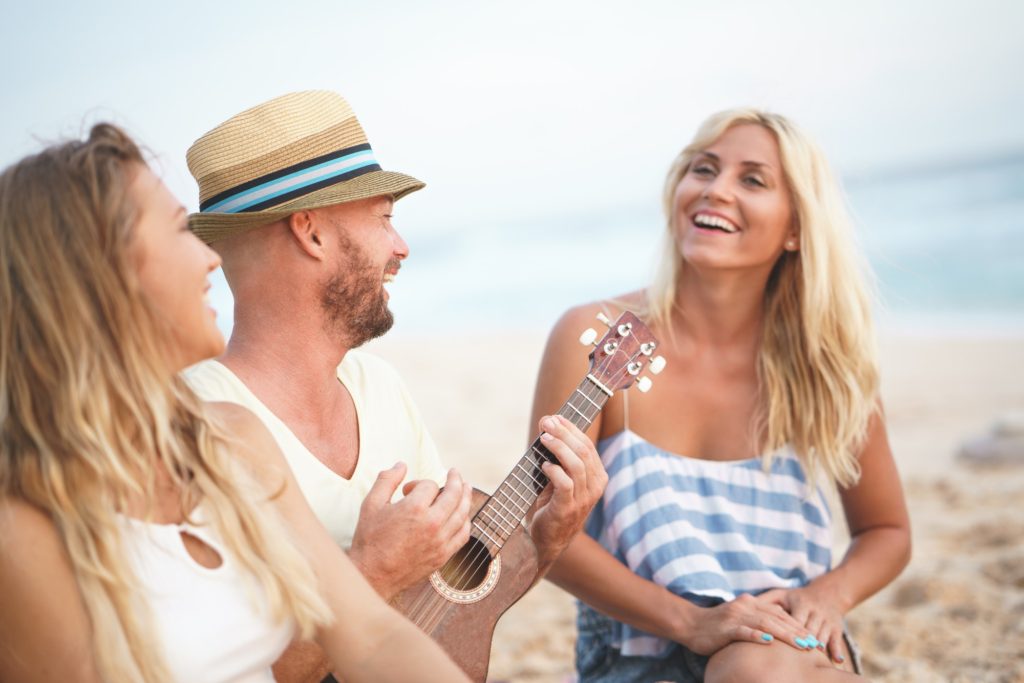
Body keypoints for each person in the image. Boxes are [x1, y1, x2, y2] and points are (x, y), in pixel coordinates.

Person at [0, 123, 476, 683]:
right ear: (100, 273)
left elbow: (370, 637)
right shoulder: (22, 526)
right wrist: (375, 567)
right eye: (180, 230)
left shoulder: (232, 437)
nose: (210, 259)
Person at [183, 91, 606, 678]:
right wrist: (372, 571)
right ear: (311, 233)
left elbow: (440, 607)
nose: (401, 247)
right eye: (385, 219)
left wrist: (548, 536)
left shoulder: (376, 385)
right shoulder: (187, 423)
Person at [530, 109, 912, 682]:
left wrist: (830, 595)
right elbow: (544, 525)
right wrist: (691, 623)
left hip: (789, 647)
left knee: (759, 668)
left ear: (795, 228)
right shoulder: (595, 336)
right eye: (703, 169)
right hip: (638, 655)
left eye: (752, 180)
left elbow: (888, 531)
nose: (716, 190)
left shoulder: (827, 367)